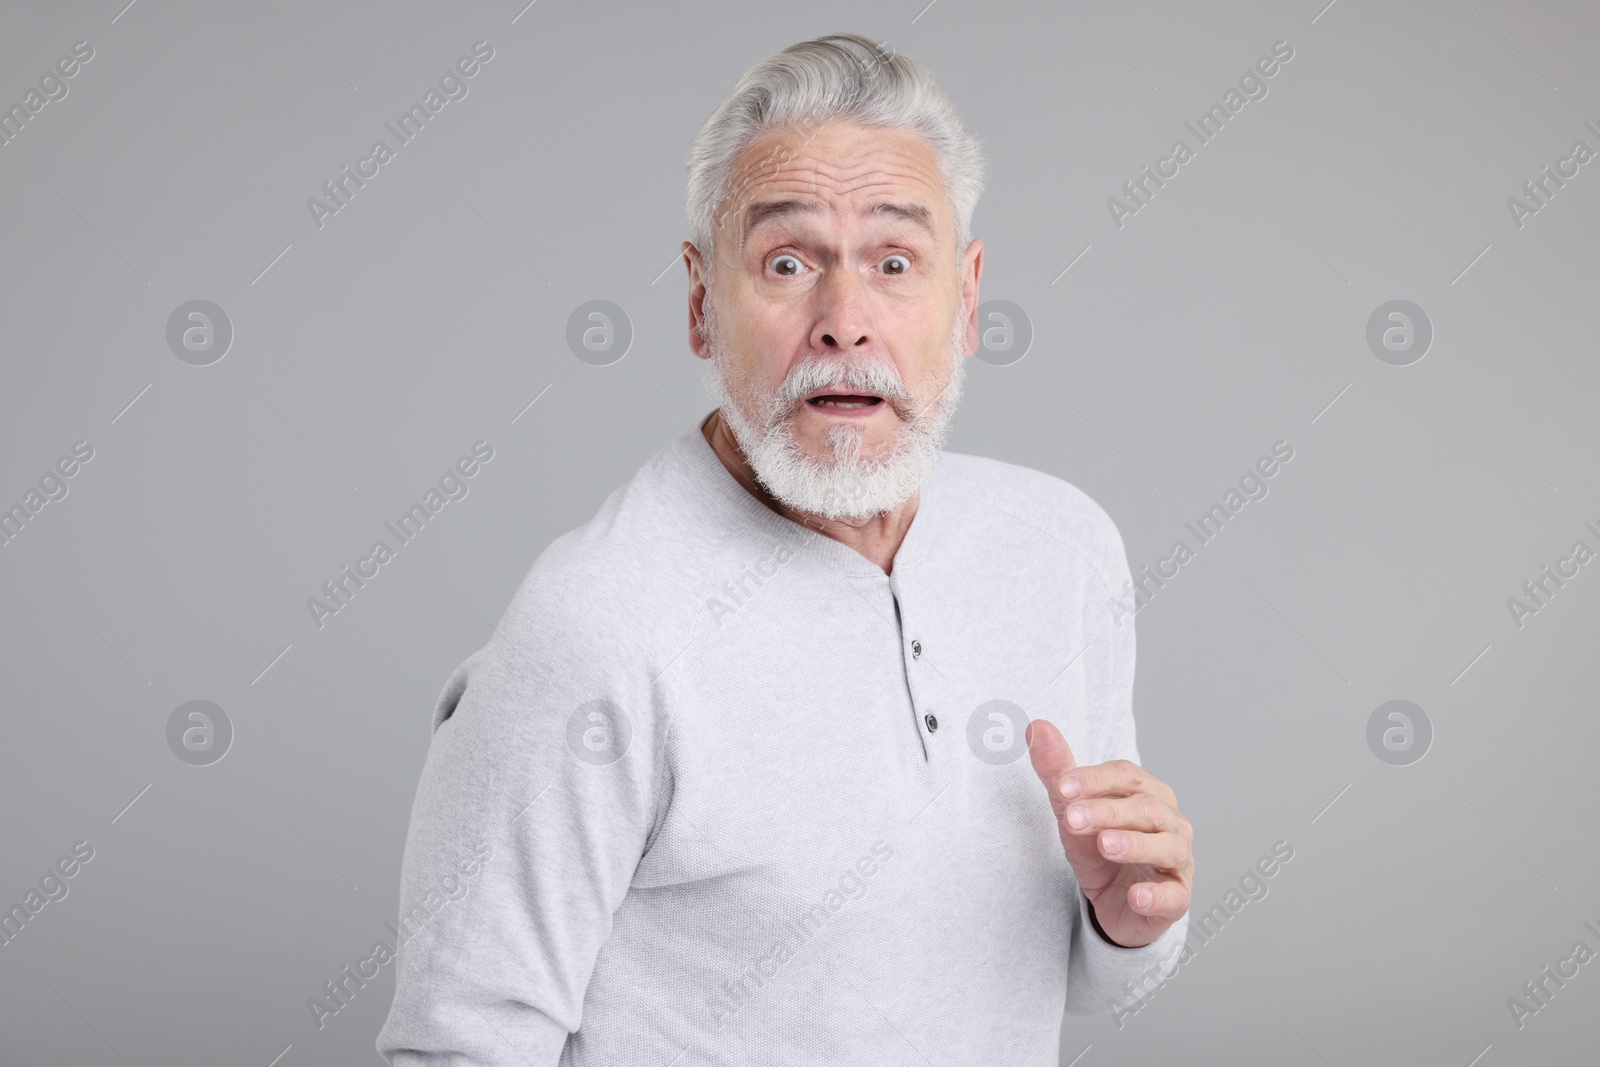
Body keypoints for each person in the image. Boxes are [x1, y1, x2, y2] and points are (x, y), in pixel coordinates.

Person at [377, 31, 1193, 1065]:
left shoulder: (1063, 549)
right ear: (700, 303)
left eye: (894, 262)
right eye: (787, 263)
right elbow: (460, 1043)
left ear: (968, 297)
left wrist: (1127, 912)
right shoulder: (595, 626)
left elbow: (1076, 965)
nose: (843, 321)